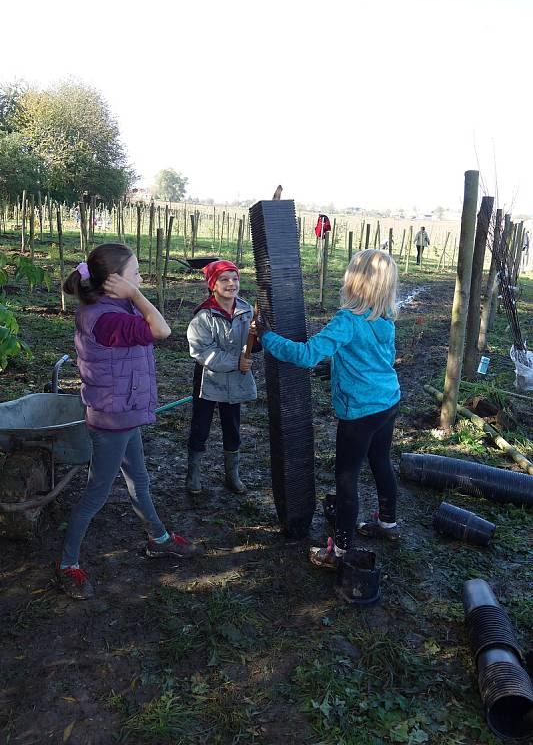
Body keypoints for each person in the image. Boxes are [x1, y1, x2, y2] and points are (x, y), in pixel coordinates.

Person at [56, 243, 202, 601]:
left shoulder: (112, 308)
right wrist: (136, 294)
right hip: (112, 418)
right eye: (135, 274)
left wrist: (132, 294)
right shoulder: (107, 318)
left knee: (139, 479)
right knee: (95, 496)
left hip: (123, 409)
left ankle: (159, 538)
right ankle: (66, 566)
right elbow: (162, 330)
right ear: (116, 281)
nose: (140, 279)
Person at [257, 249, 401, 569]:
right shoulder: (385, 318)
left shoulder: (346, 321)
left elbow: (307, 355)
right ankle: (388, 523)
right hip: (388, 401)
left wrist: (267, 336)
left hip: (360, 411)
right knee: (380, 462)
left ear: (354, 281)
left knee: (346, 479)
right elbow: (381, 359)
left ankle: (340, 552)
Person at [186, 260, 259, 495]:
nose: (231, 284)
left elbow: (252, 346)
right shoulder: (204, 316)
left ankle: (232, 475)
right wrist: (234, 362)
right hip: (208, 379)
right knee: (201, 426)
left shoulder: (246, 310)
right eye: (224, 279)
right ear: (213, 285)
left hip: (236, 380)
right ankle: (193, 474)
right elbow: (201, 351)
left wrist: (257, 338)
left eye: (235, 278)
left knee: (233, 427)